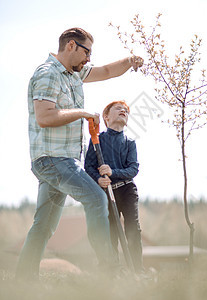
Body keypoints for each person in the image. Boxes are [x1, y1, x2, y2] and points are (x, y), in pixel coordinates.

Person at [16, 27, 144, 280]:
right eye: (87, 52)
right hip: (53, 159)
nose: (89, 60)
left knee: (44, 225)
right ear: (72, 45)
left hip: (60, 160)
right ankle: (109, 270)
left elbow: (107, 72)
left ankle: (23, 281)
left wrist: (130, 62)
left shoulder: (73, 75)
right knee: (97, 199)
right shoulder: (48, 74)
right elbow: (44, 117)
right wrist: (82, 112)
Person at [85, 100, 143, 273]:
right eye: (118, 109)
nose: (123, 111)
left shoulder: (129, 142)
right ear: (106, 117)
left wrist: (112, 172)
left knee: (133, 228)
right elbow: (88, 166)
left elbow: (133, 169)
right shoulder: (98, 139)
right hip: (107, 192)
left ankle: (137, 270)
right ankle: (114, 271)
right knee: (112, 231)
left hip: (127, 190)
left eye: (126, 110)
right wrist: (98, 179)